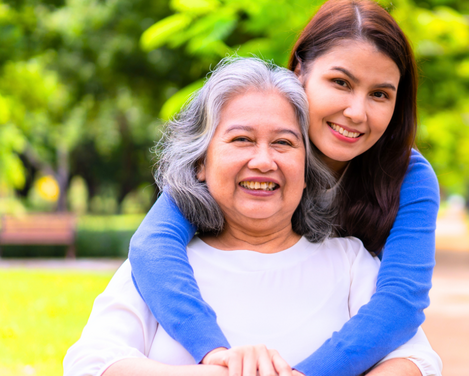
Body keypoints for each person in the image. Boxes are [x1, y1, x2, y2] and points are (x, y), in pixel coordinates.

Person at [63, 58, 442, 376]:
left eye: (283, 143)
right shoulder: (162, 266)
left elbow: (417, 362)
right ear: (200, 163)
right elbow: (89, 362)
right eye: (241, 139)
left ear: (307, 167)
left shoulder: (349, 261)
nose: (263, 161)